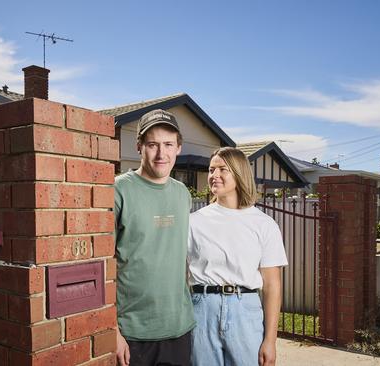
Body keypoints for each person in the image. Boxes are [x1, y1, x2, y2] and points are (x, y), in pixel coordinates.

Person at [188, 147, 288, 366]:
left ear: (239, 173)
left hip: (246, 311)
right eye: (211, 169)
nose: (214, 175)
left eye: (222, 169)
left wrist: (270, 340)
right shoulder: (193, 221)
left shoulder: (264, 225)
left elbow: (272, 285)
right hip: (201, 309)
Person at [114, 109, 195, 366]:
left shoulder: (183, 194)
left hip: (178, 328)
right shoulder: (118, 190)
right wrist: (113, 331)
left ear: (178, 147)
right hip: (132, 332)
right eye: (153, 145)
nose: (162, 154)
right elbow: (102, 264)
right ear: (139, 146)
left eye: (169, 144)